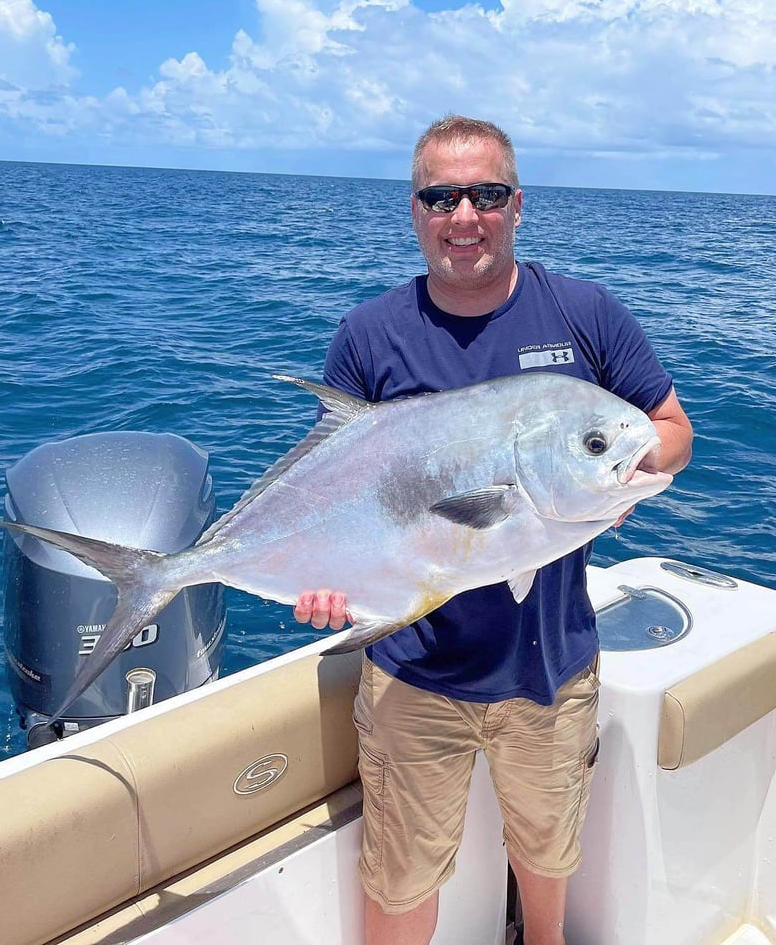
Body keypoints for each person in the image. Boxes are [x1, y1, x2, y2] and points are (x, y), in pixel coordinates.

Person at [294, 115, 693, 945]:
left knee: (547, 856)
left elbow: (665, 426)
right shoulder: (368, 334)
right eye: (442, 196)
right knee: (400, 876)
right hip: (410, 668)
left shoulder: (583, 311)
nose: (463, 215)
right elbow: (329, 491)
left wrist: (627, 482)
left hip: (549, 666)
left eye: (485, 194)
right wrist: (328, 585)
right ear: (415, 210)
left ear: (517, 204)